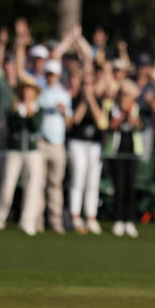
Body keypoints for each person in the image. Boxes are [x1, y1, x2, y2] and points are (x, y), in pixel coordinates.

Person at [0, 76, 46, 235]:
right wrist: (24, 113)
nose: (27, 93)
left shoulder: (38, 109)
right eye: (25, 89)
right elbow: (14, 125)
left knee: (33, 186)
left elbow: (35, 126)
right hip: (14, 150)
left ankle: (28, 221)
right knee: (7, 184)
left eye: (30, 90)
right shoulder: (13, 108)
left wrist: (29, 113)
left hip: (32, 152)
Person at [67, 71, 107, 234]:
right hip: (77, 143)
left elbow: (101, 121)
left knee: (93, 181)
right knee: (78, 178)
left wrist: (91, 99)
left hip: (94, 145)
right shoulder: (75, 100)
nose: (88, 88)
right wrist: (84, 101)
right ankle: (75, 216)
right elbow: (75, 120)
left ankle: (91, 216)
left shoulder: (100, 101)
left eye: (91, 84)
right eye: (85, 85)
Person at [36, 58, 72, 234]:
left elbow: (69, 121)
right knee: (39, 184)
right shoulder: (39, 92)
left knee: (55, 184)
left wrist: (64, 111)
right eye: (48, 74)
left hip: (58, 144)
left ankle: (55, 220)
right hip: (41, 142)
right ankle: (38, 220)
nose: (51, 77)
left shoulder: (64, 94)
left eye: (53, 74)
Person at [107, 79, 144, 237]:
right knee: (119, 187)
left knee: (130, 187)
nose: (125, 98)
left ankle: (128, 220)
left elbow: (142, 126)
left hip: (132, 152)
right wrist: (122, 116)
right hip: (117, 153)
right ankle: (118, 220)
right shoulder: (113, 109)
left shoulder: (136, 109)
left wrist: (133, 120)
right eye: (123, 95)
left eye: (128, 95)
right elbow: (109, 126)